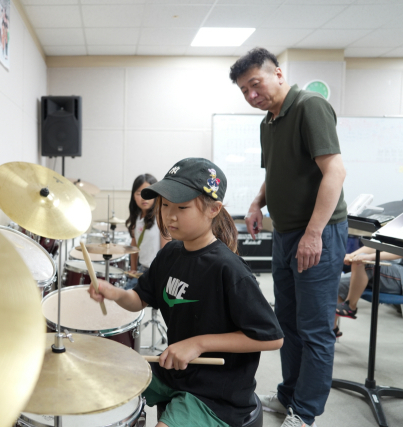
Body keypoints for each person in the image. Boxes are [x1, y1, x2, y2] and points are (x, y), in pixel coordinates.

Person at [89, 158, 284, 427]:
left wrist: (198, 344)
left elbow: (271, 338)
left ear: (214, 209)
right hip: (176, 372)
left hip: (217, 393)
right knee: (102, 382)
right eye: (165, 205)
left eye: (182, 207)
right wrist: (115, 293)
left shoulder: (229, 269)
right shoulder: (170, 253)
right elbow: (141, 299)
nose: (169, 216)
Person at [230, 47, 348, 427]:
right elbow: (276, 173)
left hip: (318, 234)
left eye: (255, 84)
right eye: (244, 91)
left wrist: (314, 234)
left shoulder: (310, 107)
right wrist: (255, 204)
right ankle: (288, 396)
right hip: (285, 233)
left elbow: (335, 172)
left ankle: (306, 411)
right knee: (288, 322)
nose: (251, 95)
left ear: (278, 74)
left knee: (314, 328)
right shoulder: (269, 122)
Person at [334, 246, 403, 335]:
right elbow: (374, 245)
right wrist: (352, 255)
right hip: (387, 269)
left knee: (365, 262)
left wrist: (370, 257)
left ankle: (350, 306)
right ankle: (331, 329)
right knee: (339, 283)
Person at [125, 174, 169, 289]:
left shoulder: (160, 217)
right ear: (133, 196)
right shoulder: (137, 217)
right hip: (142, 270)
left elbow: (167, 250)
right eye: (139, 193)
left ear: (156, 195)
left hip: (156, 273)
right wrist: (133, 269)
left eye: (148, 193)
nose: (144, 198)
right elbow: (134, 245)